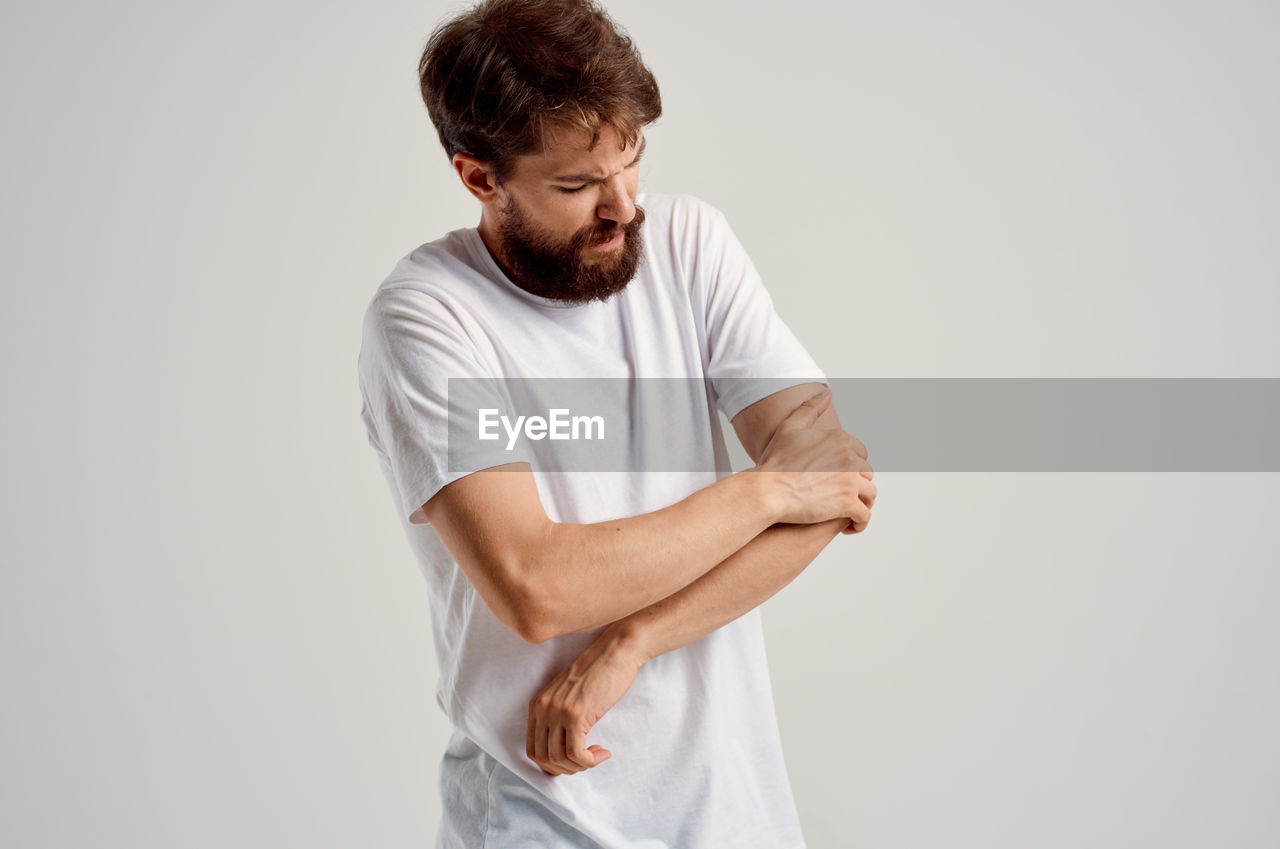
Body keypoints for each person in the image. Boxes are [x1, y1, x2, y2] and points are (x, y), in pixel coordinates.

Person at [356, 0, 876, 845]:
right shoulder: (427, 317)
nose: (623, 206)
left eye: (631, 162)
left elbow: (839, 484)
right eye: (578, 185)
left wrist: (633, 642)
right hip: (547, 812)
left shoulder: (690, 243)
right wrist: (766, 490)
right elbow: (536, 587)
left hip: (737, 807)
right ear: (479, 177)